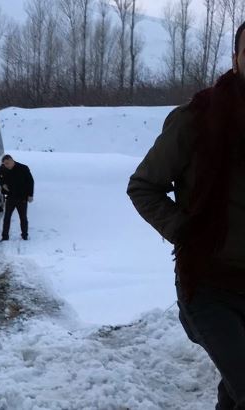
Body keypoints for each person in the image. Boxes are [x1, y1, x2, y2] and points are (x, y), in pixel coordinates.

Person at [127, 22, 245, 409]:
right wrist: (187, 231)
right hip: (209, 287)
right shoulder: (196, 119)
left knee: (236, 390)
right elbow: (143, 185)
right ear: (235, 58)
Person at [0, 154, 34, 241]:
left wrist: (30, 195)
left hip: (22, 197)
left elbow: (31, 181)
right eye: (4, 164)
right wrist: (3, 184)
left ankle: (24, 236)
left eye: (7, 163)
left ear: (12, 160)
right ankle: (5, 237)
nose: (6, 166)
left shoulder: (23, 168)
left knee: (23, 217)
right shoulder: (4, 168)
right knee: (7, 217)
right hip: (10, 197)